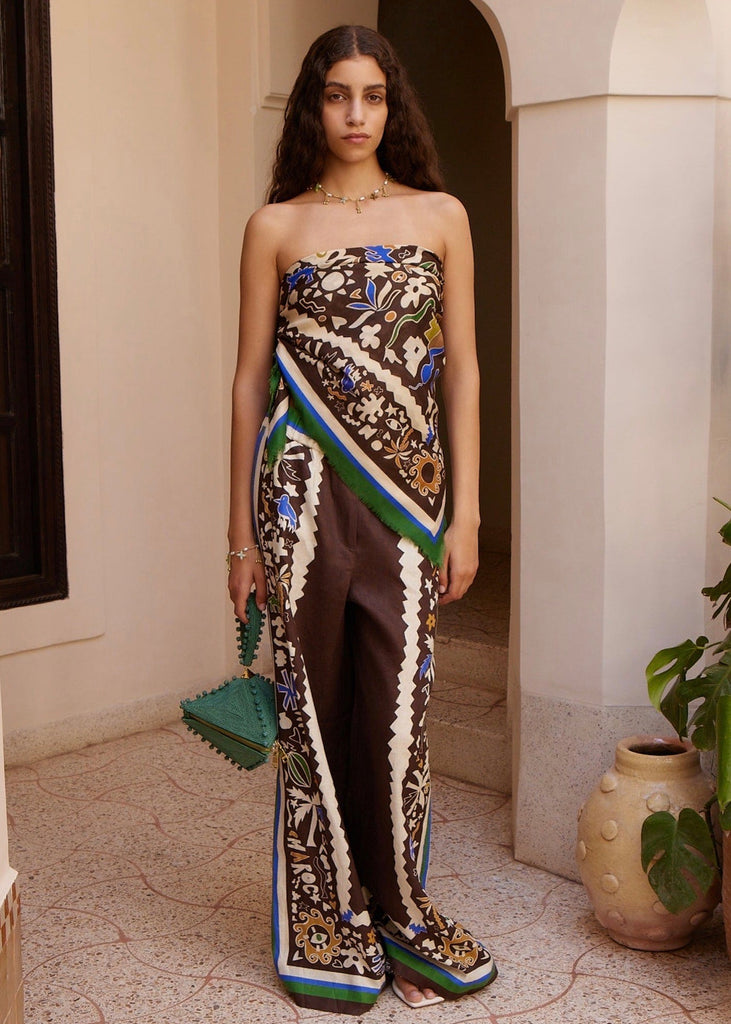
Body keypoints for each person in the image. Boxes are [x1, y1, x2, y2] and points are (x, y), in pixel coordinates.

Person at [227, 24, 497, 1015]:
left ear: (392, 107)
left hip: (408, 505)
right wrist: (238, 536)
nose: (354, 114)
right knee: (312, 708)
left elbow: (462, 370)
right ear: (312, 106)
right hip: (297, 498)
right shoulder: (274, 226)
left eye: (372, 96)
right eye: (336, 95)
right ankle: (326, 919)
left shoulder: (440, 215)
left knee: (397, 715)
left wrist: (466, 515)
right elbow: (248, 381)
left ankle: (397, 908)